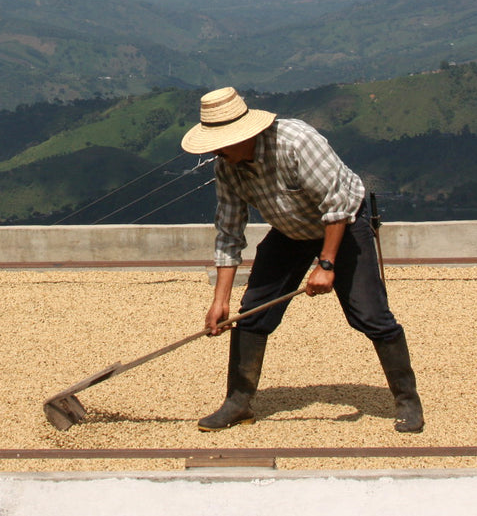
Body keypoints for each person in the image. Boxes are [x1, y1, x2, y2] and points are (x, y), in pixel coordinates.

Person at [181, 86, 424, 433]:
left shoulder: (295, 142)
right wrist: (219, 301)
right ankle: (238, 402)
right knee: (252, 312)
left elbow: (338, 204)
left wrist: (326, 264)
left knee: (371, 315)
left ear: (244, 134)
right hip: (290, 231)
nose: (217, 151)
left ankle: (407, 401)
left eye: (220, 142)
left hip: (344, 225)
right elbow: (229, 233)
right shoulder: (228, 167)